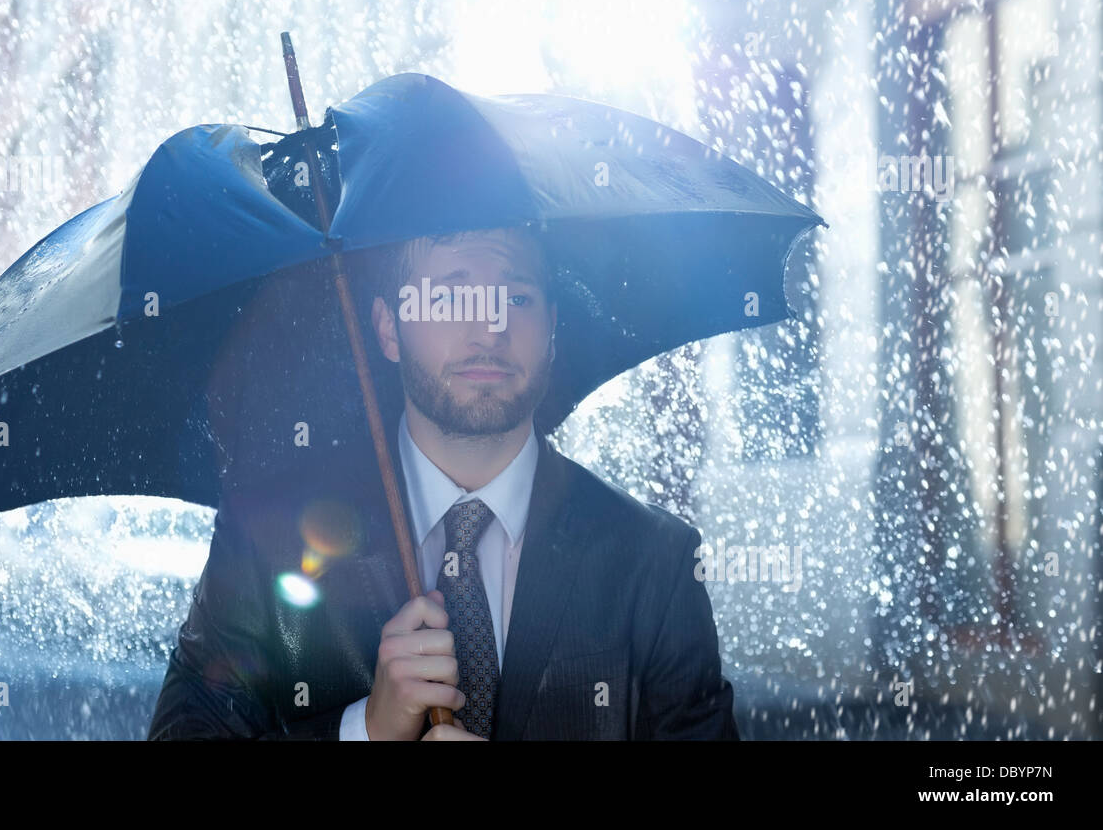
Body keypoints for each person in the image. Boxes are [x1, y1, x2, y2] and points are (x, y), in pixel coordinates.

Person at [147, 225, 739, 740]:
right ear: (386, 327)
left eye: (517, 296)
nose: (489, 327)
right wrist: (368, 732)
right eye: (451, 295)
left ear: (552, 327)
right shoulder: (267, 538)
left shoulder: (655, 564)